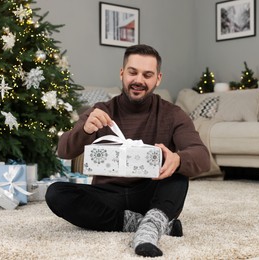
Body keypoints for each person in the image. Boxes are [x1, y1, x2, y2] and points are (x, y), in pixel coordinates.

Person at [45, 44, 210, 257]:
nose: (138, 80)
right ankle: (150, 225)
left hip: (150, 194)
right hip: (107, 195)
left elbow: (202, 157)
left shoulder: (173, 114)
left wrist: (178, 159)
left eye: (147, 74)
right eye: (133, 72)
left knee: (178, 176)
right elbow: (63, 150)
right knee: (57, 193)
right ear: (122, 73)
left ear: (158, 78)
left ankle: (149, 229)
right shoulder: (101, 111)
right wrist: (85, 130)